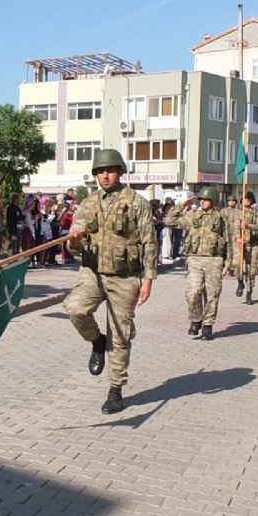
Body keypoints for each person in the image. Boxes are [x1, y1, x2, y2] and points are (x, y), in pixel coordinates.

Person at [63, 149, 157, 415]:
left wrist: (149, 278)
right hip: (92, 272)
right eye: (100, 171)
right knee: (75, 309)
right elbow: (77, 245)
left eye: (110, 170)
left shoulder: (136, 202)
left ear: (120, 172)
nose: (105, 175)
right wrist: (75, 241)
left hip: (125, 276)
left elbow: (149, 240)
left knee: (120, 334)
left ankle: (115, 389)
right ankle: (96, 341)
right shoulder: (88, 203)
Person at [165, 187, 228, 341]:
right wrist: (181, 205)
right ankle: (196, 318)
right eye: (201, 200)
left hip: (214, 260)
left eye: (206, 199)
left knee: (212, 295)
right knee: (192, 292)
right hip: (194, 259)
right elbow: (169, 221)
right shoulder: (193, 216)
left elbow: (229, 240)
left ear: (213, 201)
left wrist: (228, 263)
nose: (203, 202)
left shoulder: (221, 218)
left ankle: (208, 325)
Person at [234, 191, 258, 306]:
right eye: (244, 198)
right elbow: (234, 227)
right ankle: (240, 282)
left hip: (252, 244)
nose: (246, 200)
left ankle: (249, 293)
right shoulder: (237, 213)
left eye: (249, 198)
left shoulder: (256, 214)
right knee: (238, 266)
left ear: (252, 201)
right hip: (241, 244)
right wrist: (238, 238)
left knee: (251, 271)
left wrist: (248, 226)